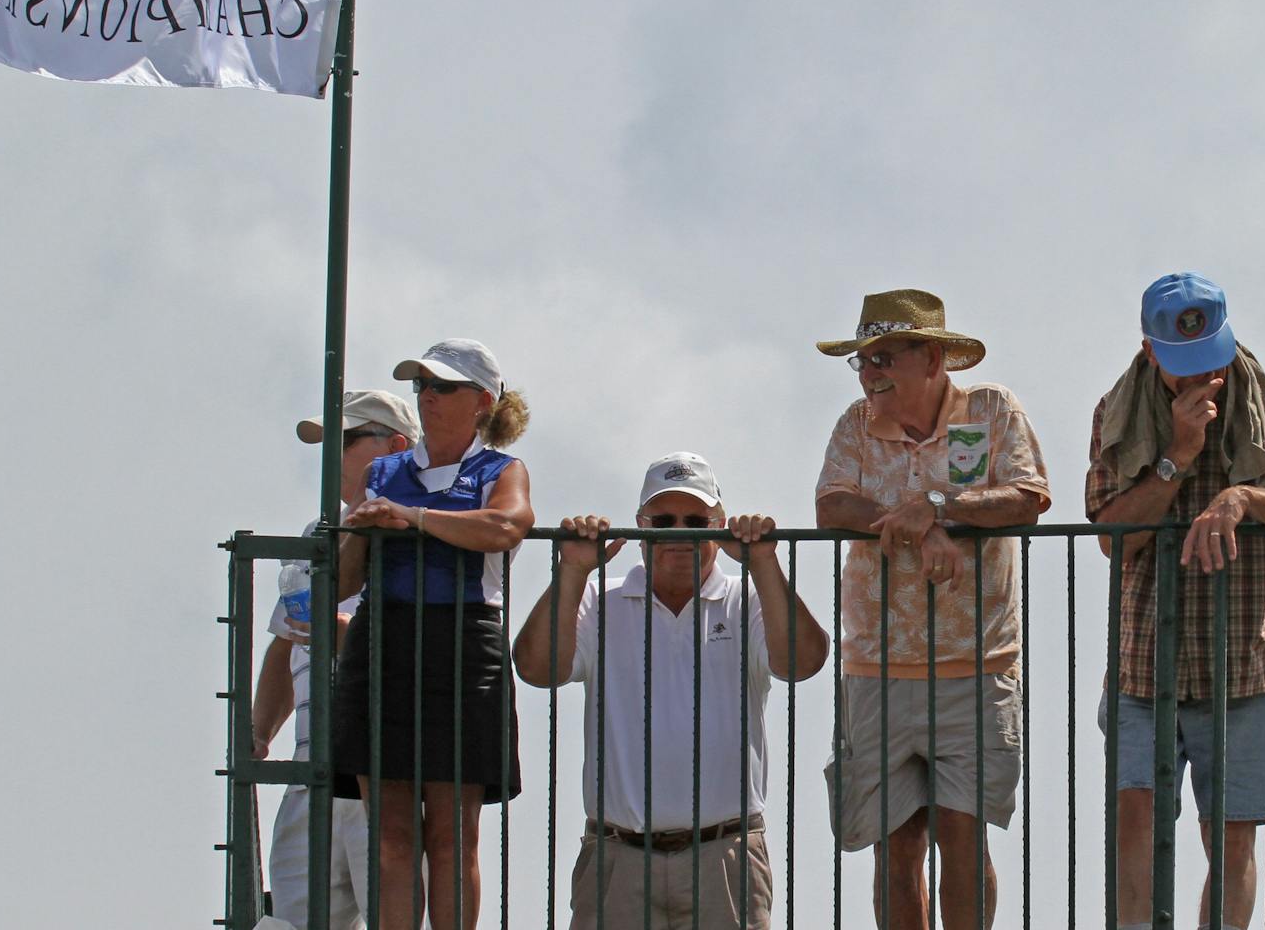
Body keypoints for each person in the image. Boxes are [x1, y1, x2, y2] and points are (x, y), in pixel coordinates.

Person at [1087, 272, 1265, 930]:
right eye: (1182, 366)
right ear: (1151, 353)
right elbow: (1116, 538)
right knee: (1136, 818)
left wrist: (1246, 497)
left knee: (1231, 837)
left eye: (1213, 359)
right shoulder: (1117, 413)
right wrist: (1177, 456)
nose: (1203, 377)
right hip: (1147, 654)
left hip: (1245, 656)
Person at [814, 289, 1051, 930]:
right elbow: (831, 505)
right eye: (862, 361)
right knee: (896, 852)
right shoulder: (855, 423)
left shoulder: (992, 408)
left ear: (935, 357)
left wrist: (940, 508)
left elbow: (1029, 497)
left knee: (963, 843)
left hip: (976, 668)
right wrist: (924, 525)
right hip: (876, 670)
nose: (870, 374)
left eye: (884, 357)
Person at [513, 452, 829, 930]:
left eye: (696, 520)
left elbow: (803, 663)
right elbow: (538, 669)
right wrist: (573, 569)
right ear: (642, 525)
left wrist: (764, 562)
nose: (679, 532)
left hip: (725, 855)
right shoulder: (599, 598)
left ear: (719, 526)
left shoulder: (749, 598)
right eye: (663, 520)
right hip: (619, 857)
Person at [330, 339, 533, 930]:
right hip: (383, 641)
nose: (427, 397)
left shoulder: (502, 470)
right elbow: (344, 580)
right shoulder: (384, 472)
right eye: (422, 386)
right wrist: (362, 530)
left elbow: (506, 526)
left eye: (443, 386)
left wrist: (412, 518)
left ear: (482, 401)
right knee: (390, 838)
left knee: (452, 836)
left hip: (465, 647)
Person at [254, 390, 419, 928]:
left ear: (396, 445)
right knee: (292, 923)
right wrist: (258, 732)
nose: (330, 454)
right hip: (313, 769)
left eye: (344, 440)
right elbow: (287, 641)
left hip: (387, 768)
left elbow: (443, 643)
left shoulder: (426, 528)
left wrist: (353, 634)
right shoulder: (316, 533)